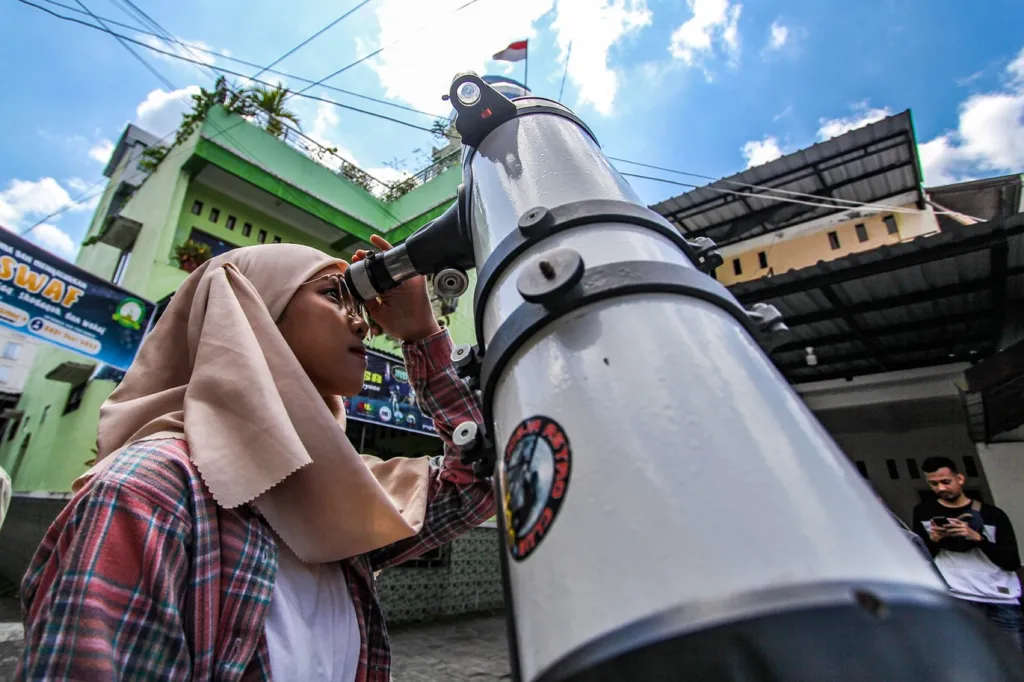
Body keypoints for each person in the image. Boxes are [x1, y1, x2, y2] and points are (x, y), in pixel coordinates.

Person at [16, 238, 496, 681]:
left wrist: (420, 334)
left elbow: (483, 479)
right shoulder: (147, 493)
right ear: (252, 314)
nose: (363, 322)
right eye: (333, 296)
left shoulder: (336, 495)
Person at [912, 456, 1022, 648]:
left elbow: (1011, 561)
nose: (941, 489)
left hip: (1000, 597)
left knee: (1012, 661)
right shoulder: (924, 513)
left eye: (946, 482)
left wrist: (978, 539)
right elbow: (919, 558)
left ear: (960, 479)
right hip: (957, 594)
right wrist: (934, 541)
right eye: (934, 484)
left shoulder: (992, 515)